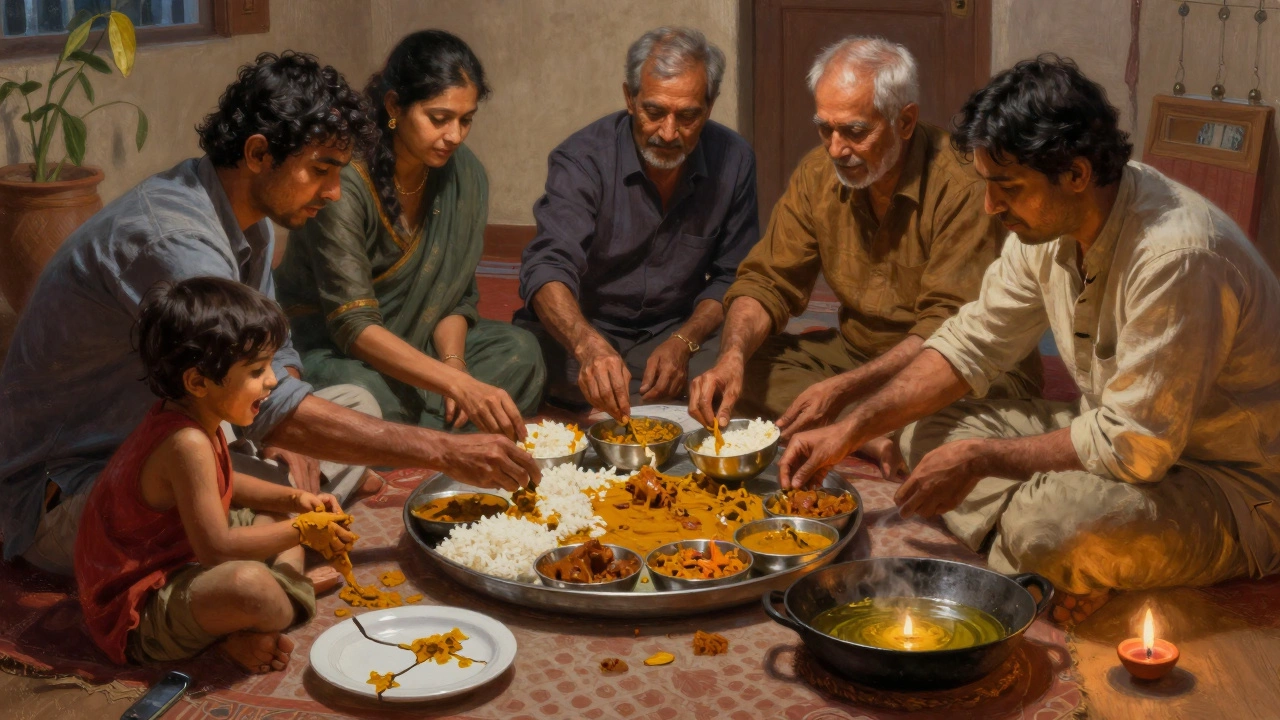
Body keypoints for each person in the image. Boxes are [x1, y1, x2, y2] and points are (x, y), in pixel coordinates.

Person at [0, 51, 539, 577]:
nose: (332, 192)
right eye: (320, 171)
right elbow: (259, 398)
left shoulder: (247, 218)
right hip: (71, 491)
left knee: (352, 402)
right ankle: (268, 549)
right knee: (260, 485)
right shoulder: (177, 242)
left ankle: (280, 521)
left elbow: (275, 353)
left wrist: (281, 431)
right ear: (258, 154)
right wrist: (446, 451)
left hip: (180, 438)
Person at [778, 56, 1280, 620]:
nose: (992, 207)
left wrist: (981, 460)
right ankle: (1048, 558)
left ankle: (1045, 548)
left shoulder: (1177, 256)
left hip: (1226, 484)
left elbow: (1134, 447)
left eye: (1007, 187)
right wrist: (850, 429)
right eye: (988, 185)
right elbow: (971, 342)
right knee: (920, 427)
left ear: (1077, 174)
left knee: (1051, 526)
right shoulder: (1047, 226)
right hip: (1113, 434)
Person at [688, 37, 1039, 472]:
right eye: (825, 128)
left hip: (955, 364)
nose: (836, 149)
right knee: (731, 361)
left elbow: (949, 331)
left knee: (959, 418)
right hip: (859, 355)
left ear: (905, 121)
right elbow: (766, 282)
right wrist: (733, 358)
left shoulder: (964, 184)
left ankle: (867, 425)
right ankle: (876, 431)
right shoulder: (819, 173)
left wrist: (841, 392)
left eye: (855, 131)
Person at [76, 278, 355, 673]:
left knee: (280, 507)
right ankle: (265, 612)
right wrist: (306, 530)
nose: (272, 381)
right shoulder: (186, 441)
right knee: (251, 585)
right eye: (258, 370)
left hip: (179, 554)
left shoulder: (192, 415)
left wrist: (294, 502)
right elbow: (216, 550)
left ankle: (283, 588)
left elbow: (227, 482)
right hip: (137, 607)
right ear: (197, 382)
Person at [276, 31, 544, 439]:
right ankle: (425, 428)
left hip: (420, 347)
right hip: (337, 349)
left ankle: (404, 433)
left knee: (522, 354)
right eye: (439, 119)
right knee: (365, 396)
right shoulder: (345, 180)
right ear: (394, 106)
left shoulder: (464, 174)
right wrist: (454, 385)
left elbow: (453, 297)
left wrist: (454, 365)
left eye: (466, 119)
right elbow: (353, 326)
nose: (454, 135)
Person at [515, 26, 760, 421]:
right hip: (587, 327)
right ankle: (647, 393)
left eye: (687, 116)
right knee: (519, 356)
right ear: (630, 98)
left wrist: (684, 341)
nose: (667, 132)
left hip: (674, 329)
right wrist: (588, 345)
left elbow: (734, 276)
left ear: (709, 106)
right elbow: (547, 268)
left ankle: (615, 391)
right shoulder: (582, 159)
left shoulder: (734, 159)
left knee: (748, 353)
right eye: (654, 111)